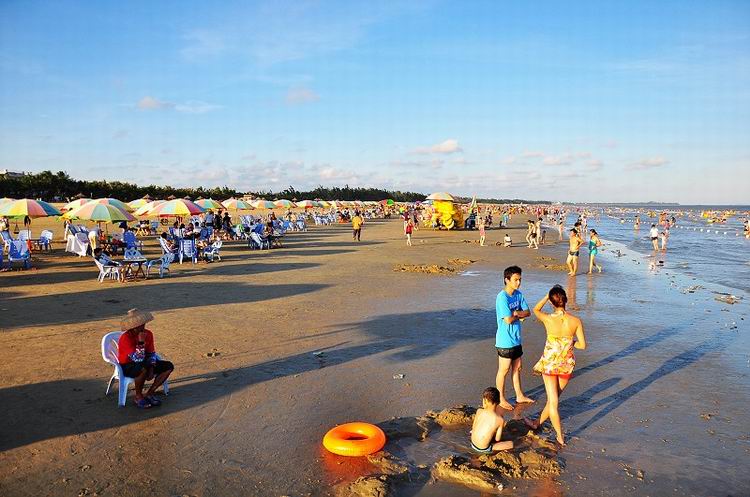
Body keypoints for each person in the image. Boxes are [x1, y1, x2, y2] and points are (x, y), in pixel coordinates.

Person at [524, 286, 586, 446]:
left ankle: (560, 437)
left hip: (550, 365)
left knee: (553, 402)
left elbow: (536, 309)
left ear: (552, 303)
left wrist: (546, 296)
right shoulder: (576, 321)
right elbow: (582, 345)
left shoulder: (548, 319)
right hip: (566, 366)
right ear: (566, 299)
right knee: (554, 399)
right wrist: (570, 342)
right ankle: (536, 423)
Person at [117, 309, 174, 409]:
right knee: (142, 368)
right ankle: (138, 397)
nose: (142, 327)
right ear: (132, 327)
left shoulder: (148, 334)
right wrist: (141, 342)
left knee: (168, 366)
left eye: (143, 324)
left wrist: (151, 368)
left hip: (145, 362)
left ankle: (149, 394)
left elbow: (151, 353)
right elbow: (137, 359)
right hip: (127, 365)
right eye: (139, 325)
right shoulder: (126, 338)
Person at [495, 266, 534, 410]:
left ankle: (519, 395)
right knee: (504, 369)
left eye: (520, 280)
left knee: (517, 368)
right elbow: (508, 320)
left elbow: (528, 312)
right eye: (516, 280)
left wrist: (516, 313)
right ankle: (500, 398)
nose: (518, 283)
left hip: (516, 338)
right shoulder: (502, 297)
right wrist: (517, 314)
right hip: (505, 340)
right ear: (507, 280)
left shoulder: (519, 294)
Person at [470, 387, 514, 453]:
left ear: (485, 401)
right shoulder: (500, 420)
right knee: (511, 444)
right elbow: (497, 439)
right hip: (483, 449)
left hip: (472, 443)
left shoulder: (479, 411)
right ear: (498, 402)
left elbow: (473, 427)